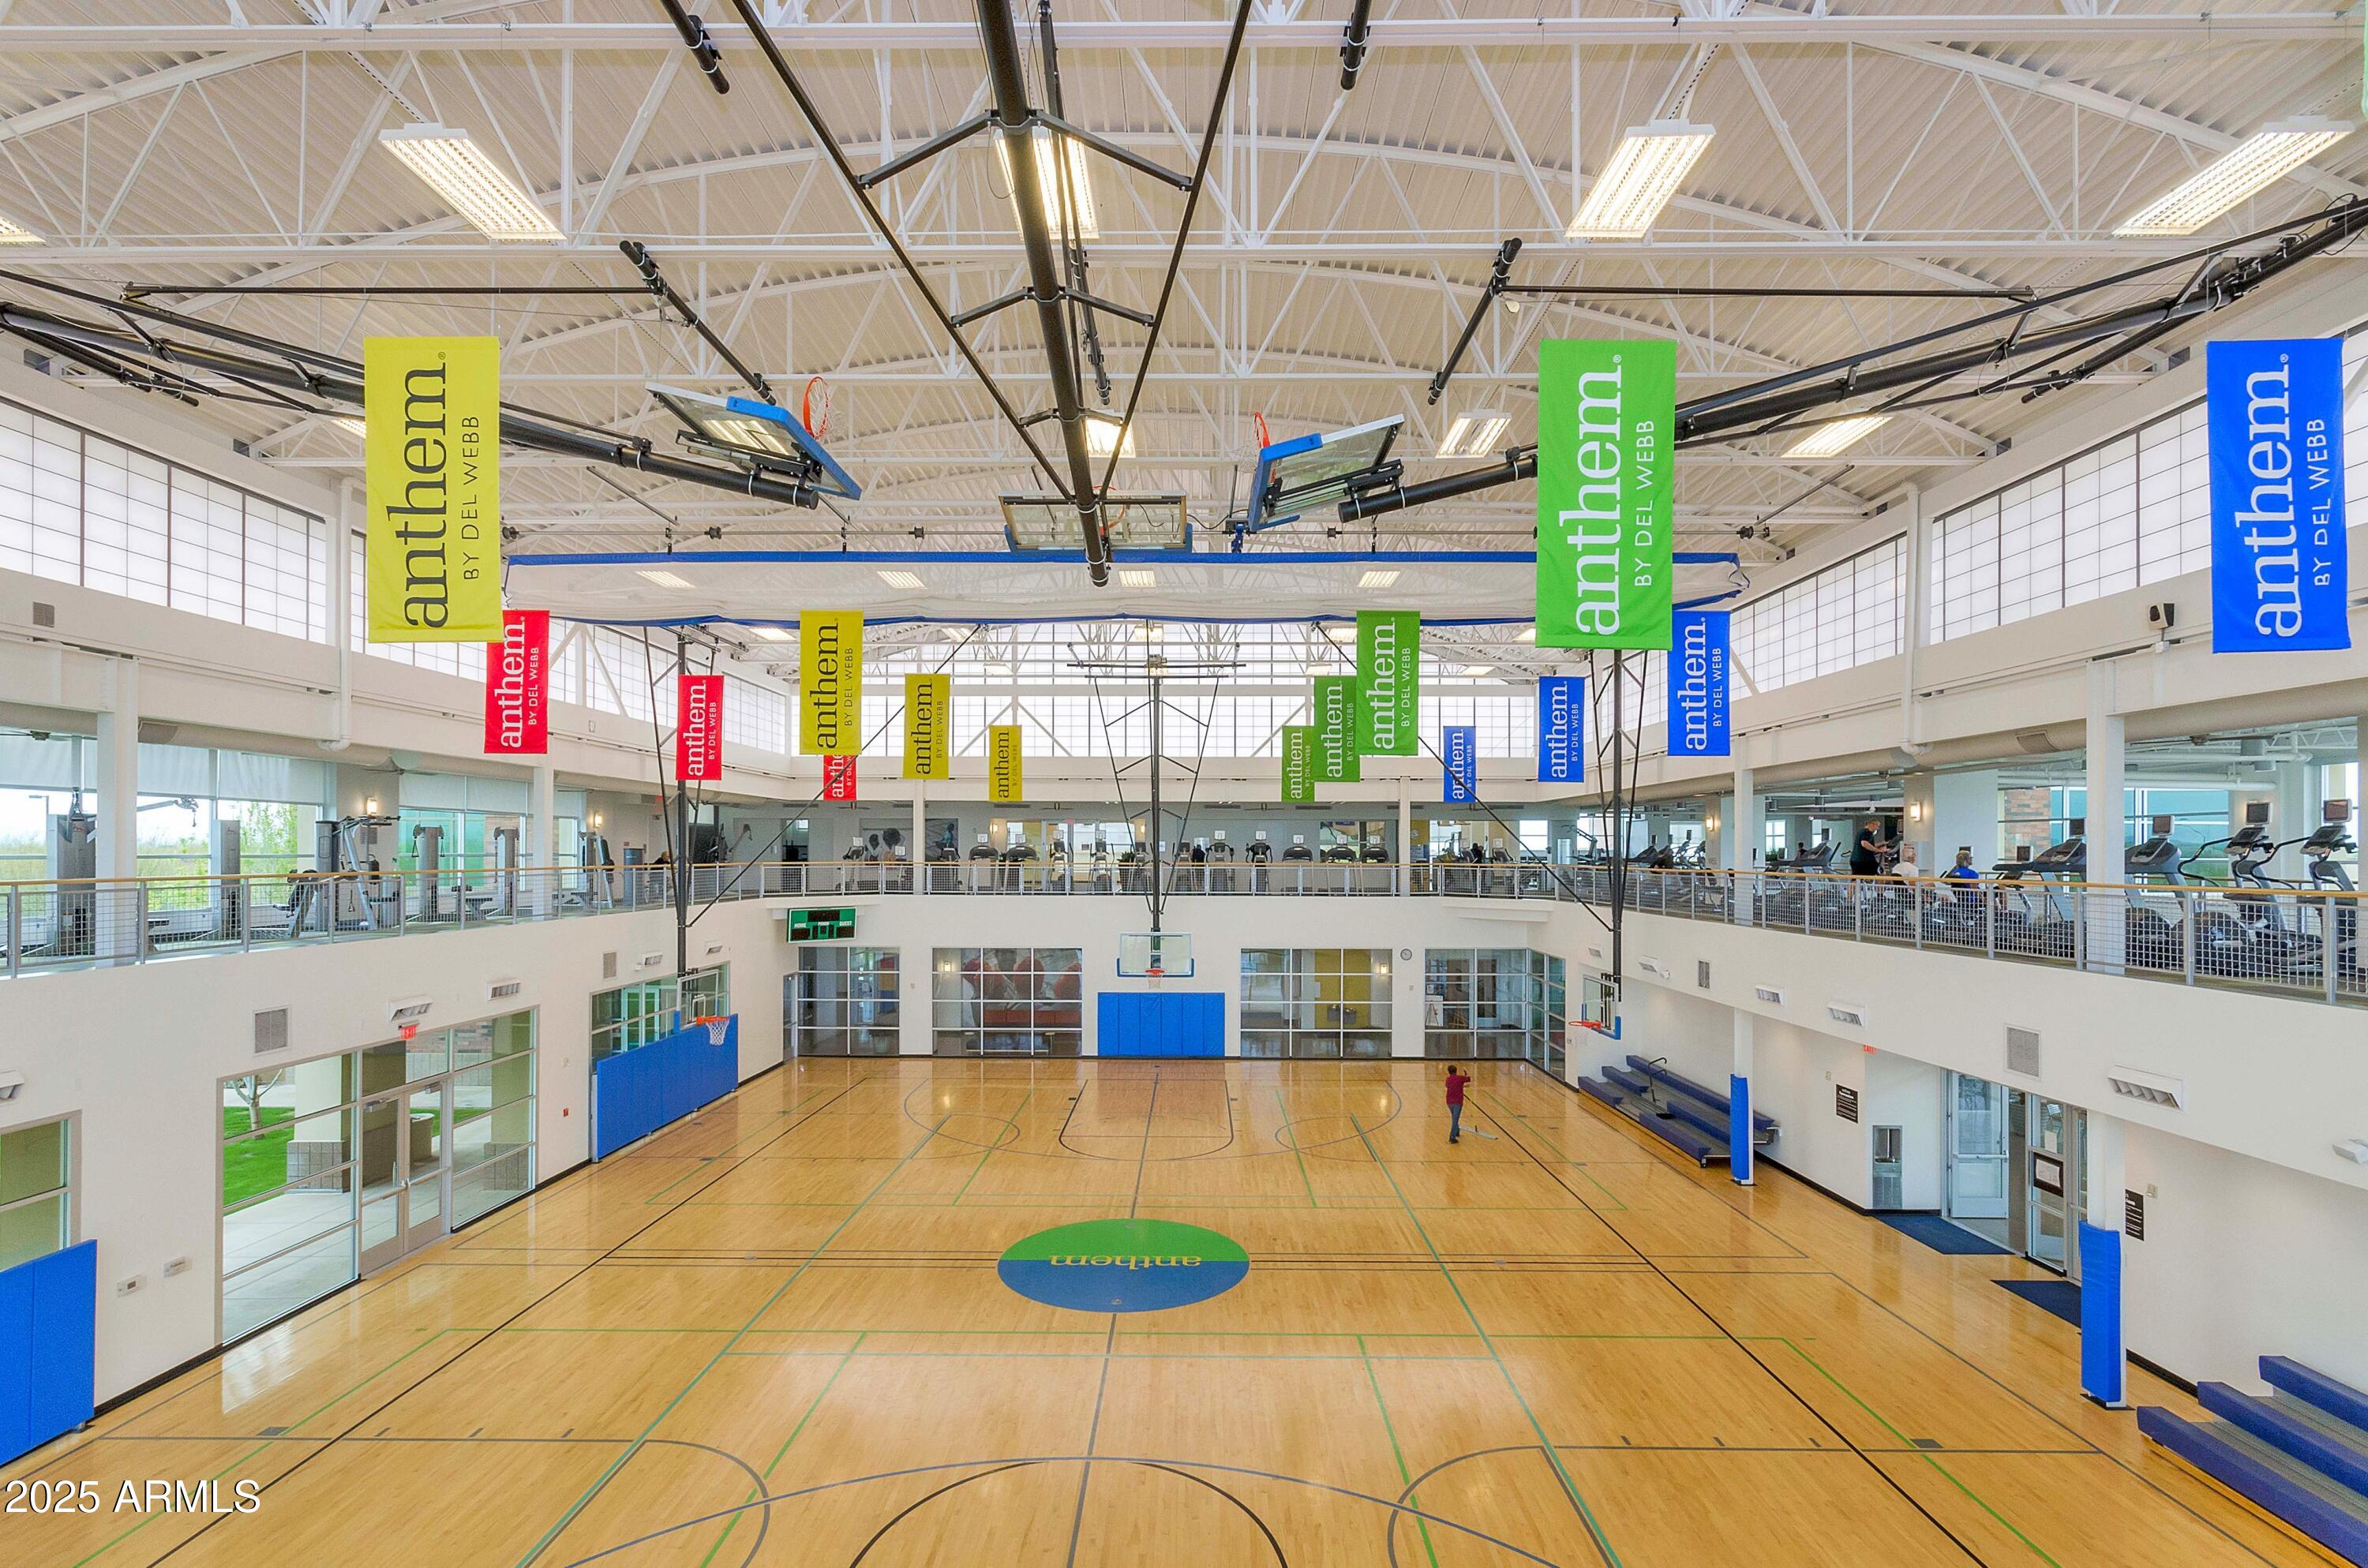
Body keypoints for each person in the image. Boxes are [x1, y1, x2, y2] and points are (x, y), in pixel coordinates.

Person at [1444, 1065, 1472, 1143]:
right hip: (1458, 1102)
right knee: (1455, 1120)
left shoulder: (1448, 1079)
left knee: (1454, 1117)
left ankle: (1457, 1131)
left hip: (1449, 1101)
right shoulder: (1460, 1078)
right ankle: (1452, 1137)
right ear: (1456, 1071)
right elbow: (1469, 1079)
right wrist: (1466, 1072)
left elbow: (1449, 1086)